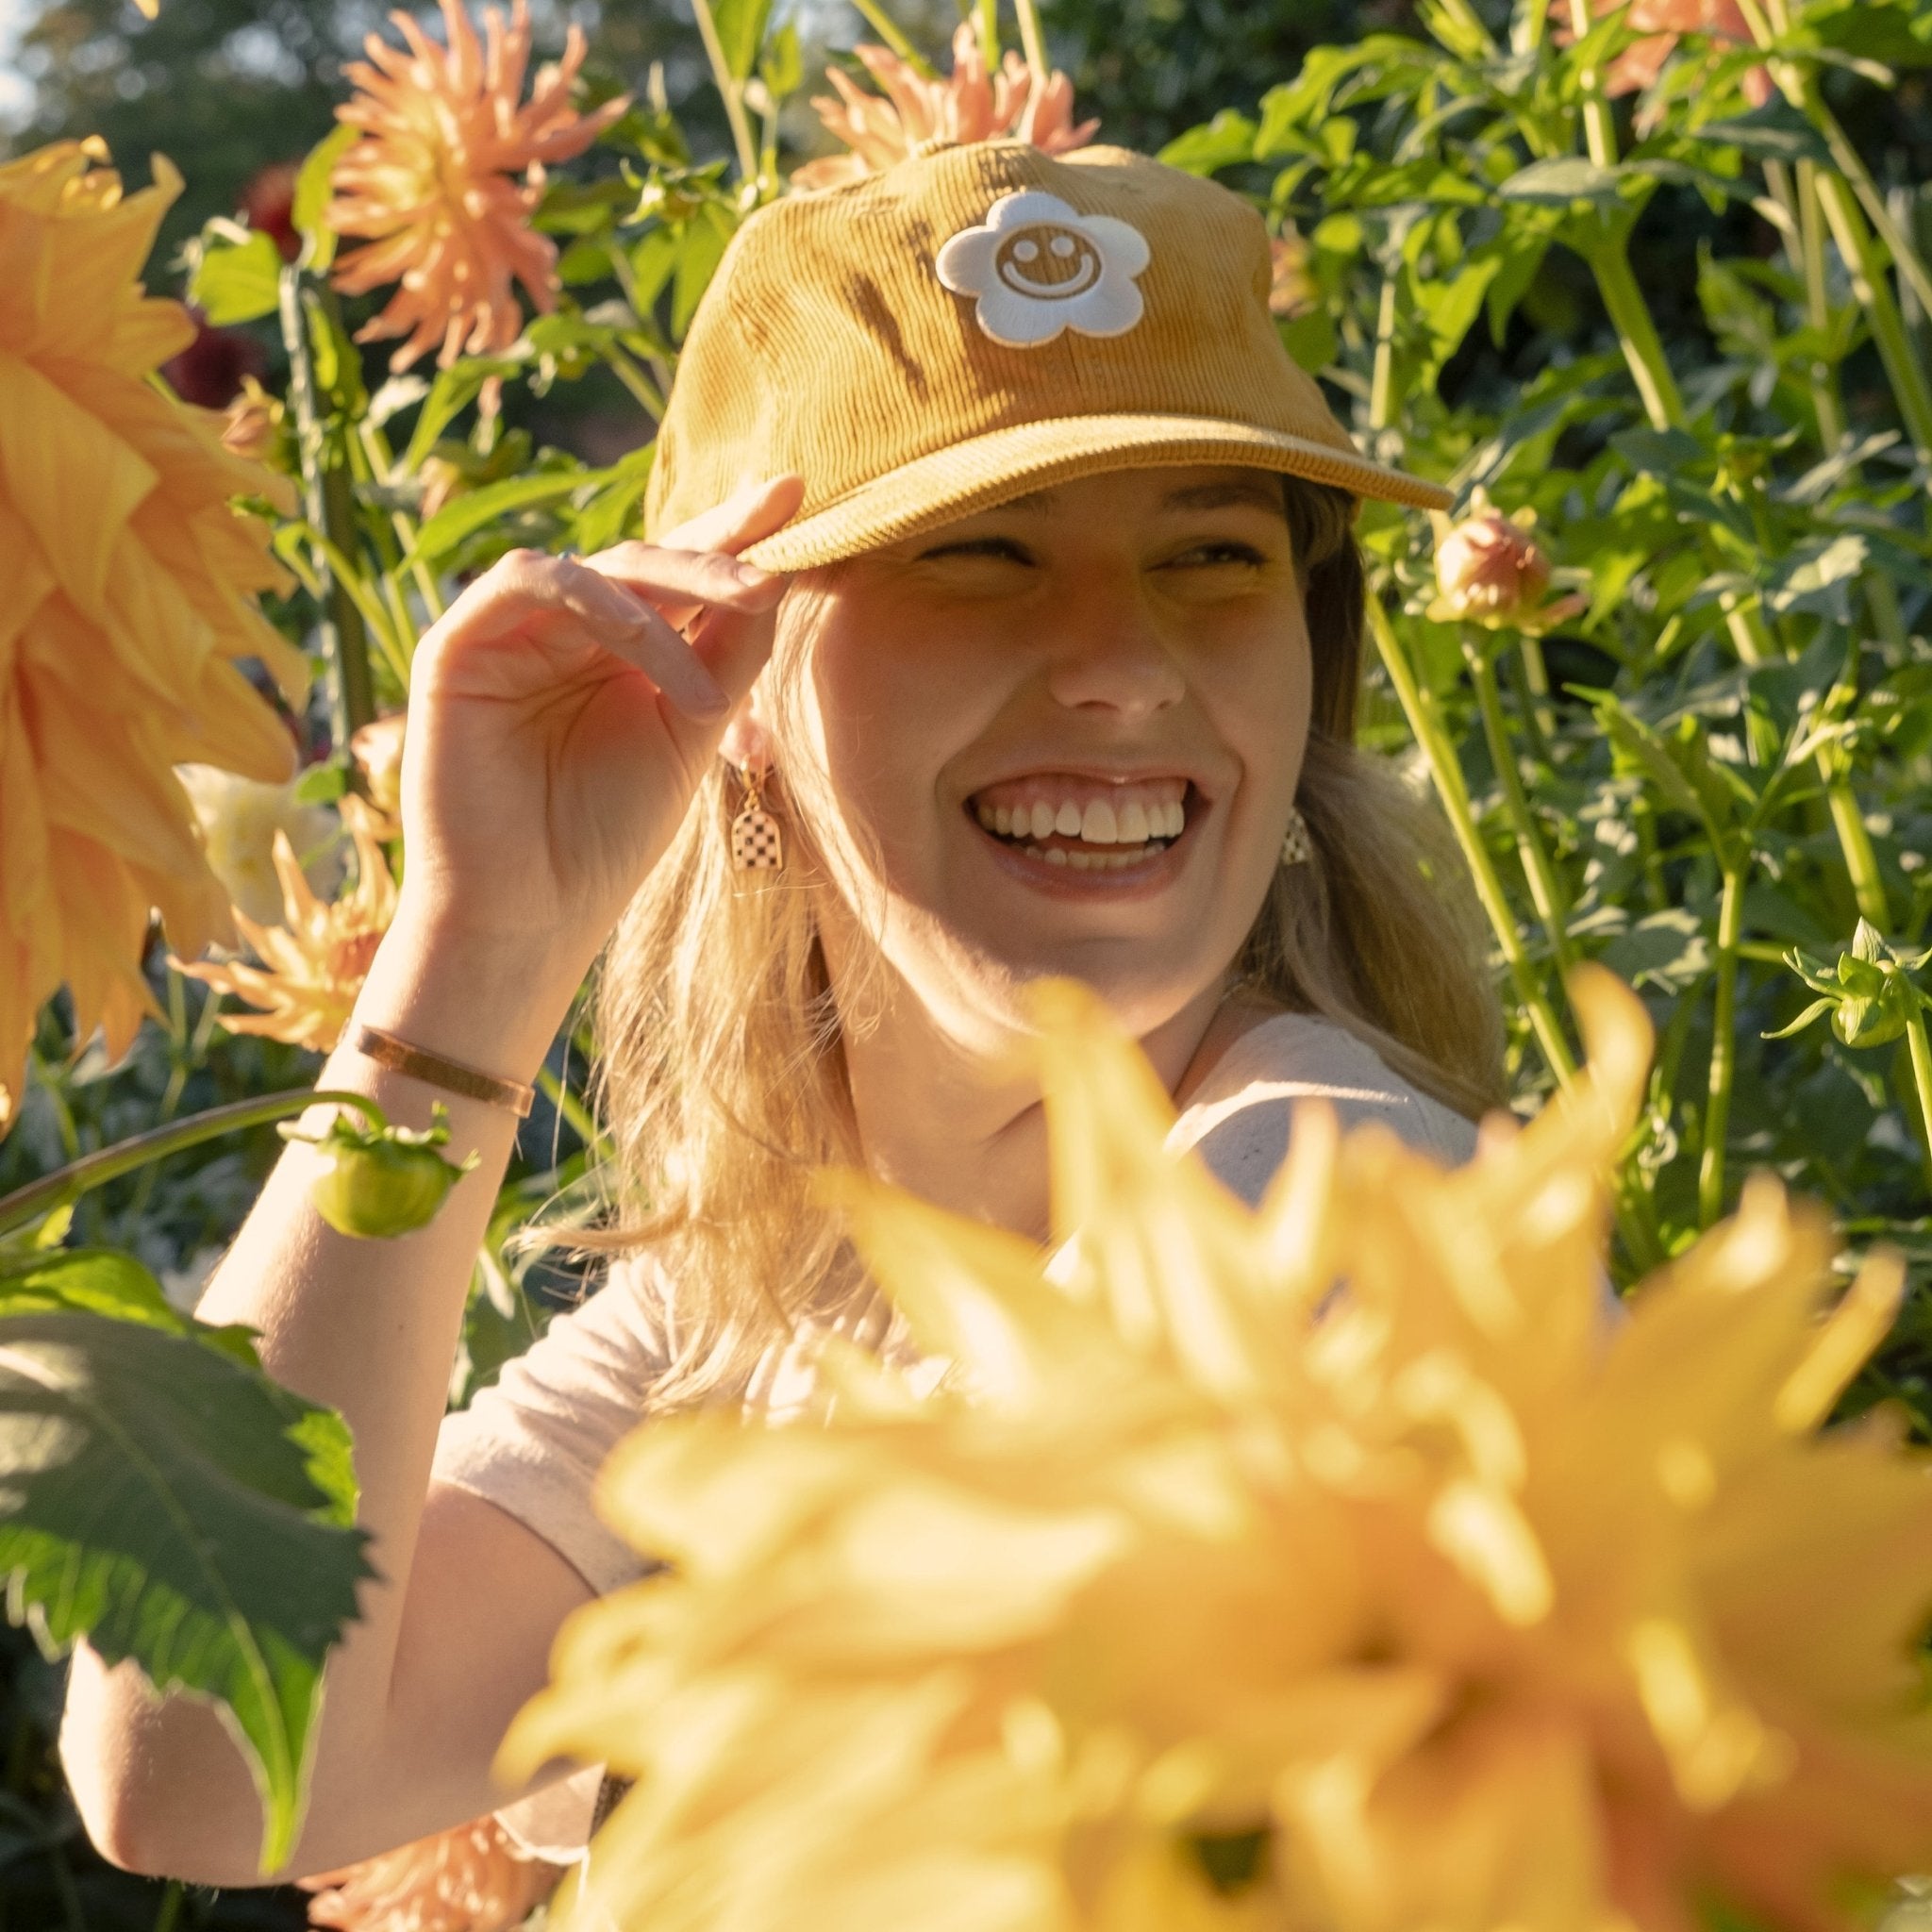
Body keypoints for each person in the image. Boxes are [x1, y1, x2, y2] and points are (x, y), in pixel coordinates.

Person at [58, 138, 1504, 1892]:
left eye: (1214, 555)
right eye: (980, 553)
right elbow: (207, 1767)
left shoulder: (1326, 1195)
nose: (1125, 663)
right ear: (724, 673)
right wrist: (472, 952)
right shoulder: (758, 1297)